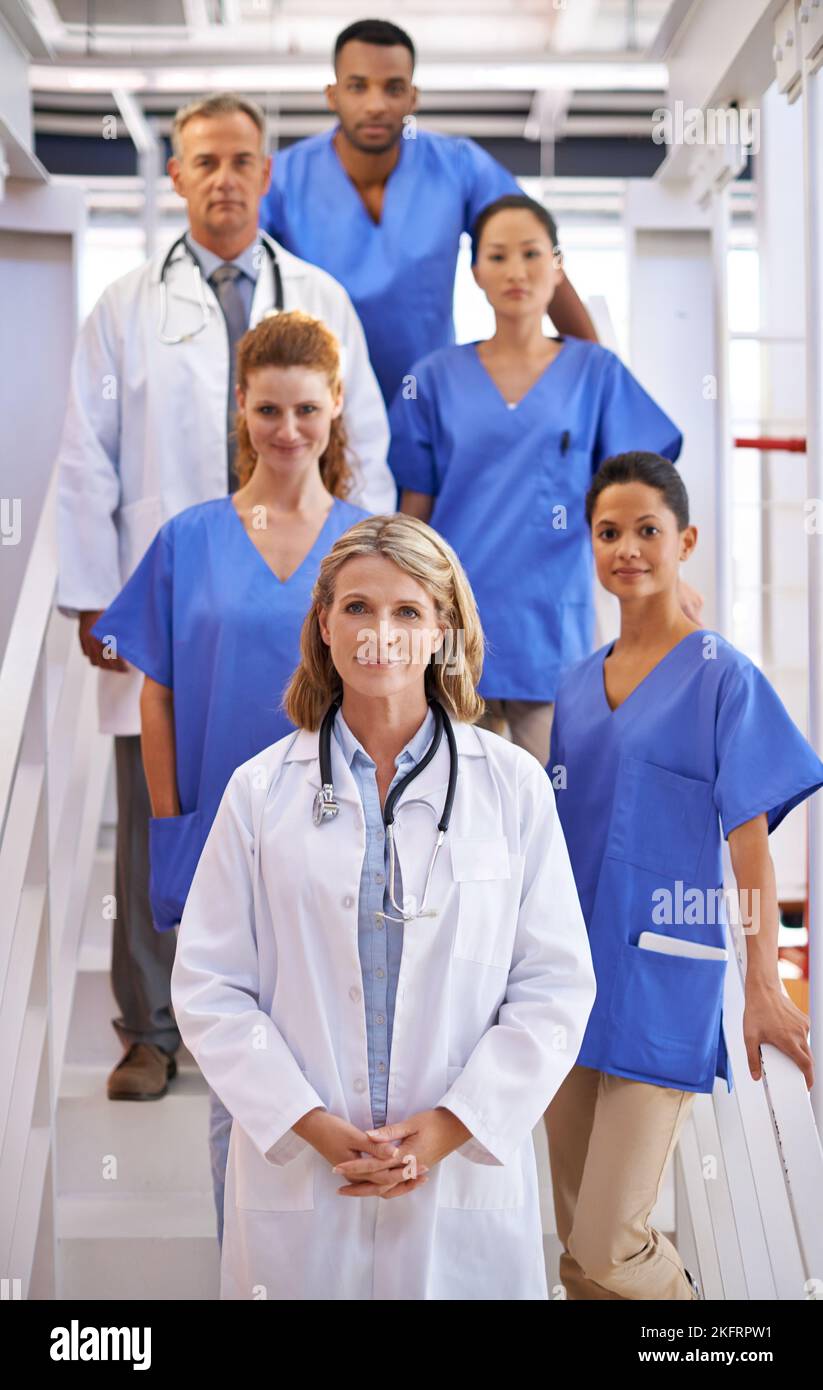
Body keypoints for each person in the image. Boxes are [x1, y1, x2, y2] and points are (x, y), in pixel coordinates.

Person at [56, 91, 393, 1104]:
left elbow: (363, 439)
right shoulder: (123, 307)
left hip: (301, 593)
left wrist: (370, 581)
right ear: (176, 175)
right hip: (178, 595)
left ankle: (291, 1024)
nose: (225, 176)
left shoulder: (321, 296)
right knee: (159, 806)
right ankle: (153, 1030)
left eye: (243, 158)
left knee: (303, 804)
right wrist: (88, 595)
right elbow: (86, 457)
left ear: (267, 172)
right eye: (205, 160)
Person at [170, 514, 597, 1300]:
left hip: (458, 1181)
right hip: (306, 1173)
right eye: (358, 608)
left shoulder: (511, 788)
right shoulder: (260, 792)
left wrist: (446, 1130)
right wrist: (314, 1126)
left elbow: (554, 988)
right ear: (324, 625)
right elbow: (210, 988)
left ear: (443, 631)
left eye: (408, 612)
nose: (380, 633)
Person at [91, 311, 368, 1234]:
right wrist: (171, 824)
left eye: (305, 410)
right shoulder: (191, 539)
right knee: (236, 1074)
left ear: (334, 412)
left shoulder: (366, 544)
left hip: (343, 835)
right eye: (267, 410)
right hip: (217, 835)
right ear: (239, 413)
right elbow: (157, 699)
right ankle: (244, 1263)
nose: (286, 431)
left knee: (340, 1059)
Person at [545, 450, 823, 1301]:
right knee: (573, 1252)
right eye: (607, 532)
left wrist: (764, 984)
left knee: (610, 1246)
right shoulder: (573, 683)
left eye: (646, 530)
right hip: (568, 984)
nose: (626, 547)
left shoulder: (720, 676)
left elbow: (747, 846)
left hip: (664, 981)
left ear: (684, 539)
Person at [391, 194, 693, 767]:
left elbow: (640, 488)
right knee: (448, 812)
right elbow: (415, 512)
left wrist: (673, 577)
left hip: (553, 629)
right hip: (454, 627)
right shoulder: (432, 379)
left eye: (532, 254)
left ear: (557, 266)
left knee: (557, 817)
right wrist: (396, 607)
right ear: (476, 271)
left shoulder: (595, 372)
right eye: (497, 256)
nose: (516, 270)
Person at [260, 18, 597, 405]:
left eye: (393, 88)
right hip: (313, 402)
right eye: (357, 86)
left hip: (425, 401)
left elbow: (535, 252)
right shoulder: (282, 178)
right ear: (332, 95)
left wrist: (598, 370)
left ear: (413, 98)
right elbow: (238, 273)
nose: (376, 105)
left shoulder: (457, 166)